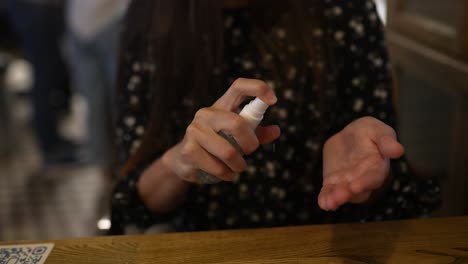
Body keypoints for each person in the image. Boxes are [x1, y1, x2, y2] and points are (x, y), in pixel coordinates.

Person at [110, 0, 440, 235]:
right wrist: (176, 164)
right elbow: (134, 204)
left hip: (322, 246)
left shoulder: (343, 10)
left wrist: (371, 172)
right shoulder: (153, 17)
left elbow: (390, 186)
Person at [6, 0, 77, 166]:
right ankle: (50, 147)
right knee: (43, 76)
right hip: (33, 8)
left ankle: (54, 139)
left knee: (50, 73)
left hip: (40, 8)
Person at [66, 0, 130, 174]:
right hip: (110, 21)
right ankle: (123, 160)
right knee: (120, 97)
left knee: (94, 99)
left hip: (79, 22)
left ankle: (104, 162)